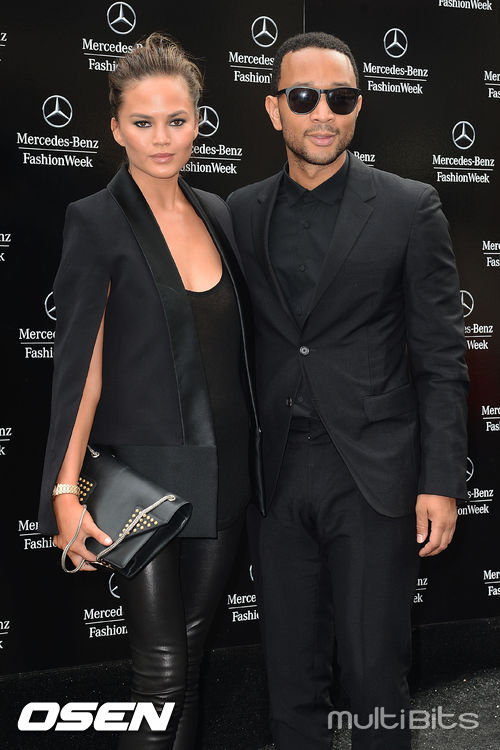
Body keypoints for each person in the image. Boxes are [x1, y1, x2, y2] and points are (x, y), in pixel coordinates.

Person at [228, 31, 469, 750]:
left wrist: (440, 480)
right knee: (290, 679)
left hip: (372, 473)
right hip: (273, 476)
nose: (323, 114)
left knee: (373, 676)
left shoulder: (409, 207)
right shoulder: (239, 211)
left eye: (341, 98)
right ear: (275, 109)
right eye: (304, 98)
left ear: (359, 106)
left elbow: (441, 357)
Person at [38, 32, 262, 750]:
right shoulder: (95, 220)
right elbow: (83, 368)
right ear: (115, 129)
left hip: (223, 470)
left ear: (199, 122)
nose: (161, 138)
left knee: (190, 657)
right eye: (142, 122)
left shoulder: (219, 214)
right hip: (141, 478)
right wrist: (65, 489)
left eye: (176, 120)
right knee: (161, 671)